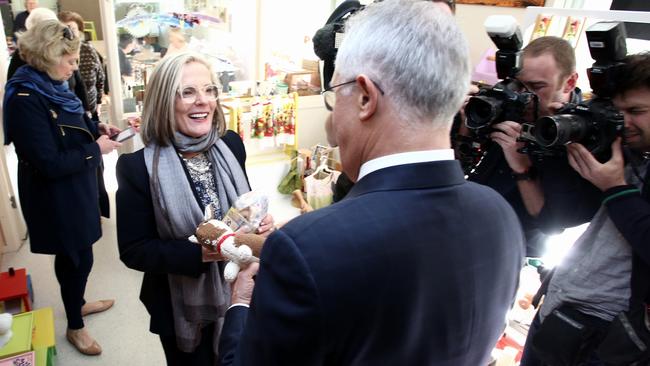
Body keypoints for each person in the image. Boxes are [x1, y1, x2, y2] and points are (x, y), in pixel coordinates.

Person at [218, 1, 525, 365]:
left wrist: (240, 303)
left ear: (365, 97)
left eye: (335, 95)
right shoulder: (499, 215)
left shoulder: (307, 248)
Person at [115, 52, 275, 365]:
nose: (202, 101)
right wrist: (204, 252)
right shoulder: (137, 168)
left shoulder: (231, 144)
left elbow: (241, 207)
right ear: (163, 100)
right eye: (188, 92)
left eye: (209, 90)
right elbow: (134, 250)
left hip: (241, 287)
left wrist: (258, 224)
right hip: (180, 305)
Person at [518, 52, 650, 366]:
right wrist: (554, 148)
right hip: (561, 311)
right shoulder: (631, 153)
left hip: (610, 336)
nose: (624, 123)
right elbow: (564, 215)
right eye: (618, 111)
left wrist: (616, 189)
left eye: (636, 111)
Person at [3, 20, 121, 356]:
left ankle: (77, 302)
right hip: (53, 193)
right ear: (46, 56)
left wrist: (96, 127)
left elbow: (71, 120)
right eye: (68, 59)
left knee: (81, 251)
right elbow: (49, 163)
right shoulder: (23, 97)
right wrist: (94, 149)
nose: (74, 66)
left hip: (75, 183)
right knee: (75, 256)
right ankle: (75, 325)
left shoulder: (53, 83)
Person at [465, 36, 586, 257]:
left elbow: (552, 224)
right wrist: (468, 122)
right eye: (520, 85)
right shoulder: (512, 107)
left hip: (511, 250)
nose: (524, 96)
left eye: (537, 86)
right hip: (465, 226)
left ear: (569, 82)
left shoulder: (580, 134)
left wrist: (522, 165)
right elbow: (467, 162)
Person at [58, 11, 105, 121]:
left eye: (73, 29)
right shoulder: (56, 56)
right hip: (70, 113)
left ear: (80, 31)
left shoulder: (88, 49)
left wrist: (99, 102)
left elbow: (100, 77)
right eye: (65, 29)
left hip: (91, 107)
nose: (70, 34)